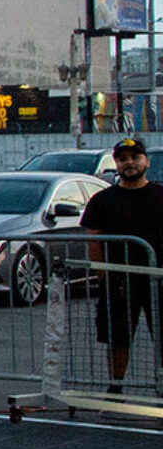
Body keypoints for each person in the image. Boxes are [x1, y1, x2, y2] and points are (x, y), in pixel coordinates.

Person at [81, 137, 163, 394]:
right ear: (116, 164)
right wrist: (102, 273)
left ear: (146, 162)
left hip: (158, 280)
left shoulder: (161, 195)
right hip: (119, 282)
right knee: (118, 338)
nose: (129, 163)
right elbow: (93, 237)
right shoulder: (102, 200)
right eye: (123, 159)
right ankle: (115, 389)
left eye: (134, 157)